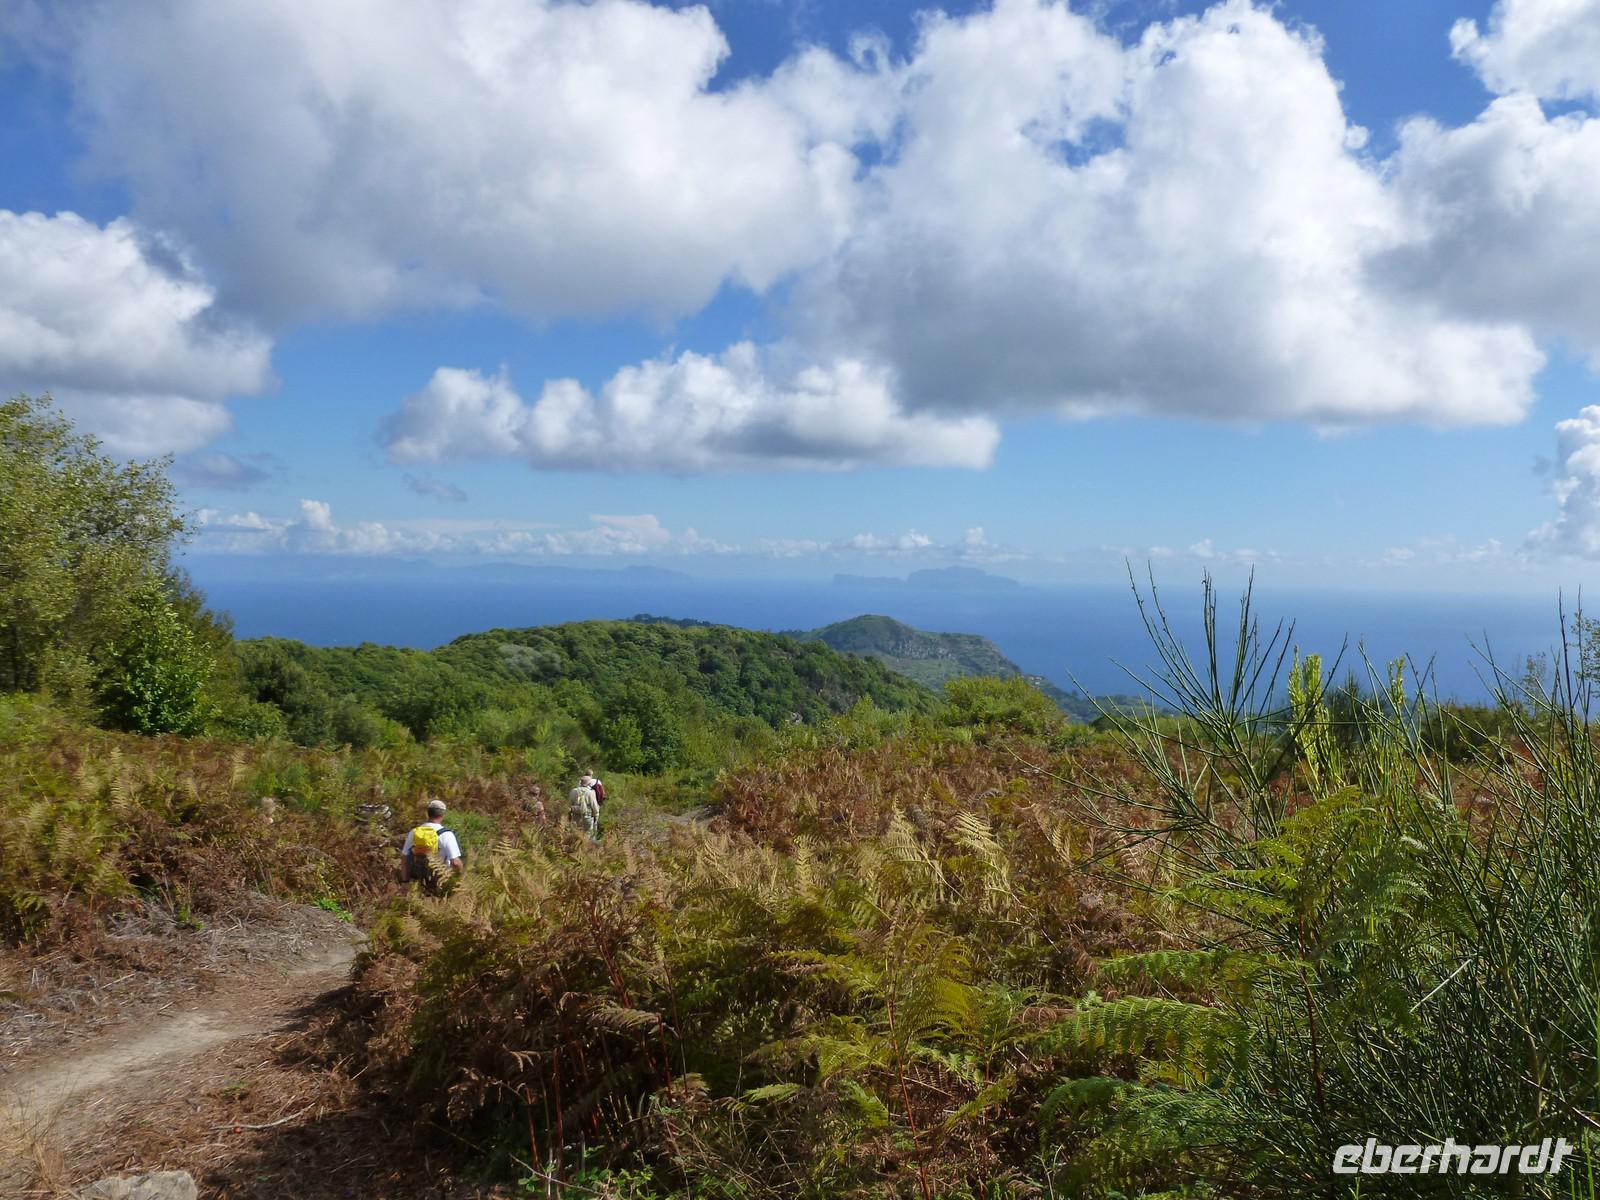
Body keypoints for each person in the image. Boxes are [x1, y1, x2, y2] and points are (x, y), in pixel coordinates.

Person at [401, 799, 464, 892]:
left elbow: (404, 858)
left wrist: (405, 882)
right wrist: (458, 879)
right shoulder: (446, 834)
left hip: (417, 882)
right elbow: (455, 863)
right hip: (440, 882)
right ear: (442, 814)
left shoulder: (414, 832)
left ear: (428, 813)